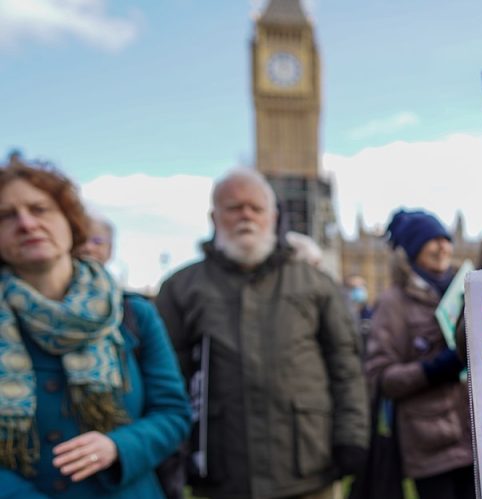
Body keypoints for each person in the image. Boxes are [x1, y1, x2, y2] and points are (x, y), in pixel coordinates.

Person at [155, 168, 368, 499]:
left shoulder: (315, 283)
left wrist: (352, 436)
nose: (246, 216)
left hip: (309, 465)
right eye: (234, 208)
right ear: (214, 216)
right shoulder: (180, 288)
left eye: (256, 208)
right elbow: (168, 381)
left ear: (274, 217)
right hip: (222, 473)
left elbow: (346, 367)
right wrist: (172, 450)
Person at [0, 160, 190, 497]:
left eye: (40, 209)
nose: (27, 223)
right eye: (7, 215)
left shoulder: (132, 313)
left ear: (70, 223)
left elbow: (173, 413)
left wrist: (119, 446)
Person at [365, 210, 482, 499]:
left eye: (446, 239)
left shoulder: (469, 284)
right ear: (413, 249)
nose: (443, 247)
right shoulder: (393, 302)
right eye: (432, 241)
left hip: (479, 438)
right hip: (431, 446)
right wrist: (434, 369)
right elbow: (381, 377)